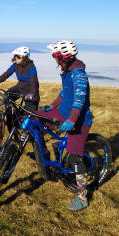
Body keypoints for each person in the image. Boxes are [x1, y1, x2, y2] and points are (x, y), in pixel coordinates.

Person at [36, 40, 92, 211]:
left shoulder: (78, 72)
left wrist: (72, 119)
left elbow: (79, 98)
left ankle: (82, 197)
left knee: (75, 157)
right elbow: (64, 92)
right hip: (63, 113)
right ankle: (43, 154)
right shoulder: (67, 70)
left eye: (56, 56)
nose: (54, 59)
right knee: (34, 118)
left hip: (79, 120)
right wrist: (52, 106)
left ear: (64, 57)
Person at [0, 46, 40, 130]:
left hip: (30, 91)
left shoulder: (31, 67)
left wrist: (33, 93)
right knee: (7, 97)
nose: (16, 58)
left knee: (29, 117)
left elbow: (34, 82)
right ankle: (10, 121)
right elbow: (6, 74)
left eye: (18, 57)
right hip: (19, 87)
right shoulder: (15, 65)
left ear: (25, 57)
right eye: (15, 56)